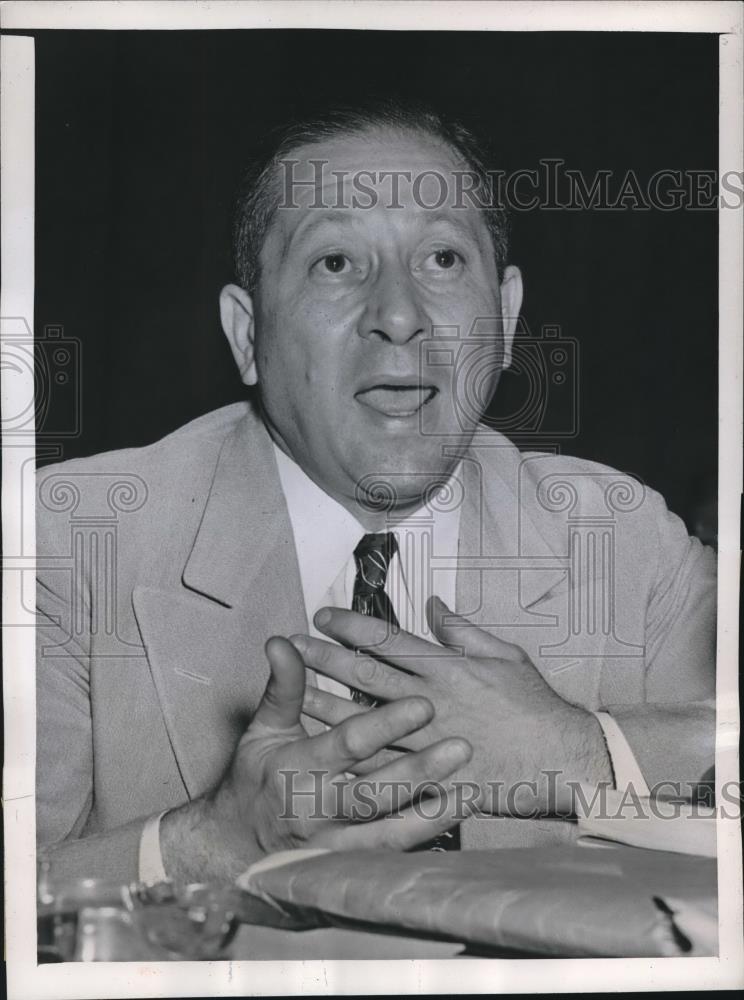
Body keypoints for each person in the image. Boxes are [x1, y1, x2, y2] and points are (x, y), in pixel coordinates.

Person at [36, 101, 716, 888]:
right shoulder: (69, 544)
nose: (399, 317)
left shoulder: (625, 540)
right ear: (247, 334)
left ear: (505, 316)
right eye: (335, 263)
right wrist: (198, 847)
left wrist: (580, 751)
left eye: (443, 261)